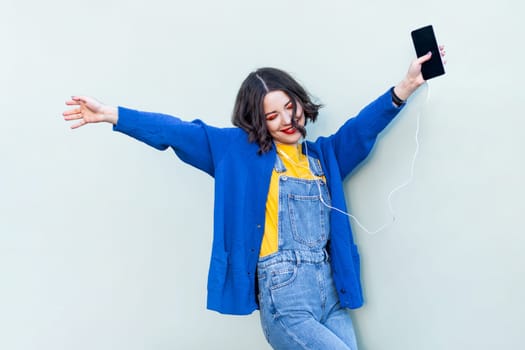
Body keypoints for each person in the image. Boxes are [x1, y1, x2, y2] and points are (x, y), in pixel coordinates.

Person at [63, 47, 445, 350]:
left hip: (331, 293)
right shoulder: (237, 154)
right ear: (256, 122)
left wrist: (406, 86)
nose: (287, 120)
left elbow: (361, 130)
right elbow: (177, 132)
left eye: (289, 107)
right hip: (285, 298)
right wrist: (112, 114)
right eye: (272, 115)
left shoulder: (324, 156)